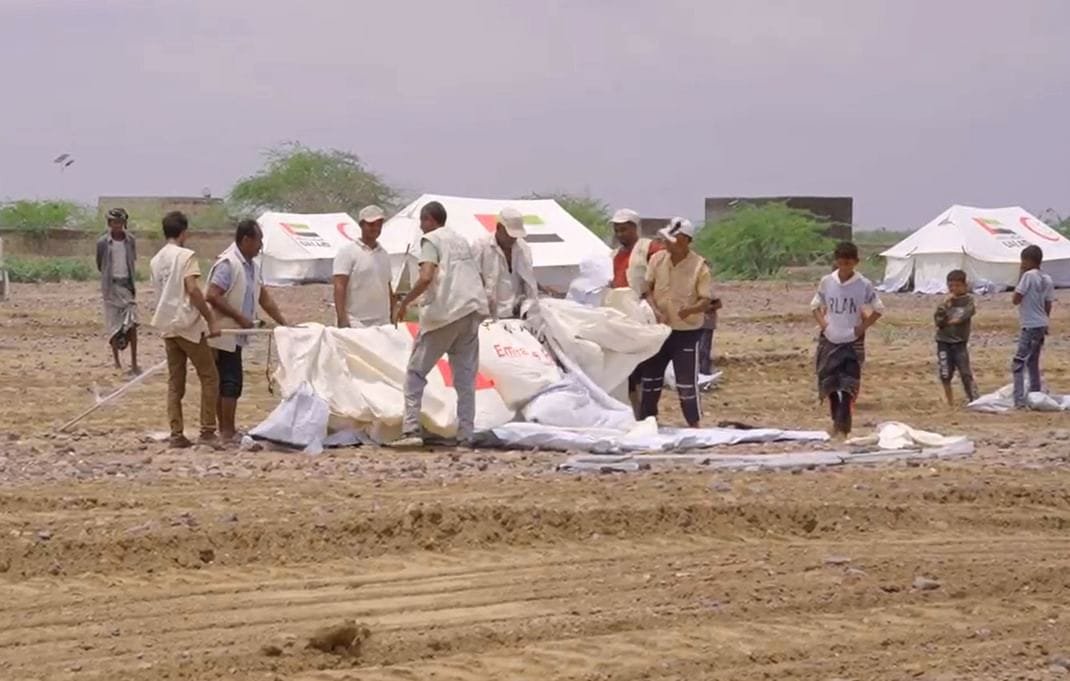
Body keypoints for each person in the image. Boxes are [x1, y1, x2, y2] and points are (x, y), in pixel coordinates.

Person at [391, 201, 489, 447]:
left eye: (422, 223)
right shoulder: (460, 240)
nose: (422, 228)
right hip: (470, 311)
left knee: (415, 373)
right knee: (465, 379)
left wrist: (405, 303)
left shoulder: (431, 241)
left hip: (445, 313)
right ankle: (466, 435)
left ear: (428, 220)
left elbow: (426, 277)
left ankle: (411, 430)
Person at [206, 219, 288, 442]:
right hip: (224, 333)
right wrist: (239, 317)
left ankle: (226, 429)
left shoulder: (252, 266)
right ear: (245, 240)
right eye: (258, 240)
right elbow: (212, 294)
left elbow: (263, 297)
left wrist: (283, 322)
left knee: (229, 381)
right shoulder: (228, 264)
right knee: (229, 382)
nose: (260, 246)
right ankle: (226, 431)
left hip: (237, 334)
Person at [149, 211, 221, 448]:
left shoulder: (156, 260)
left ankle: (176, 432)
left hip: (167, 325)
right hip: (187, 325)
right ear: (184, 232)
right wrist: (209, 318)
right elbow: (193, 289)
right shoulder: (186, 256)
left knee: (175, 382)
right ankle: (208, 430)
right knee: (209, 376)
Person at [637, 218, 712, 427]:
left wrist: (690, 310)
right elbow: (648, 289)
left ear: (685, 241)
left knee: (686, 381)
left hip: (686, 331)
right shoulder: (658, 260)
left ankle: (693, 423)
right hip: (659, 329)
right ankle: (648, 421)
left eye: (672, 241)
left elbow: (706, 300)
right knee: (651, 378)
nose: (667, 245)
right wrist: (655, 310)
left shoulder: (700, 267)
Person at [811, 241, 884, 436]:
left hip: (852, 340)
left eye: (848, 264)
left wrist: (862, 327)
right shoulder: (827, 281)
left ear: (855, 263)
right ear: (836, 262)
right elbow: (815, 306)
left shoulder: (863, 284)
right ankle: (837, 423)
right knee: (831, 384)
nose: (844, 268)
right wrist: (824, 325)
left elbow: (879, 309)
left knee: (849, 385)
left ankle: (844, 424)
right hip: (830, 338)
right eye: (841, 263)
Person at [610, 208, 666, 413]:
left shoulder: (649, 248)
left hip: (644, 311)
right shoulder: (614, 255)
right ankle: (636, 411)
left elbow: (662, 274)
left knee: (647, 363)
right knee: (628, 367)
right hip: (622, 314)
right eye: (617, 230)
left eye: (624, 229)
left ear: (634, 228)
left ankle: (648, 410)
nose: (620, 234)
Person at [333, 205, 393, 327]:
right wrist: (342, 318)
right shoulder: (347, 252)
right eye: (371, 224)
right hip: (356, 321)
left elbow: (387, 285)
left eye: (379, 224)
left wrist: (393, 312)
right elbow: (339, 286)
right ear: (361, 225)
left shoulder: (384, 254)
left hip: (382, 321)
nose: (375, 228)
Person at [95, 207, 140, 374]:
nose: (117, 226)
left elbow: (132, 261)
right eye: (114, 222)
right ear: (109, 223)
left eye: (120, 222)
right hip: (111, 287)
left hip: (127, 286)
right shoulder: (102, 243)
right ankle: (117, 363)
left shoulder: (130, 241)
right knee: (114, 326)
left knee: (132, 324)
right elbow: (100, 264)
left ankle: (134, 363)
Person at [1012, 244, 1055, 408]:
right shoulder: (1047, 278)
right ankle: (1035, 394)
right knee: (1033, 361)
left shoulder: (1028, 276)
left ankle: (1019, 400)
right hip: (1041, 324)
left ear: (1027, 261)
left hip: (1029, 325)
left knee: (1019, 363)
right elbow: (1048, 304)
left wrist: (1020, 274)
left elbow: (1016, 299)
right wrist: (1045, 322)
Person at [477, 207, 538, 320]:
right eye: (509, 235)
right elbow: (475, 281)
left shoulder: (524, 249)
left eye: (515, 236)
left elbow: (529, 283)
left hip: (518, 315)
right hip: (490, 315)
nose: (513, 239)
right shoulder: (481, 246)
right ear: (499, 227)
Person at [934, 269, 979, 406]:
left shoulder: (968, 301)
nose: (954, 289)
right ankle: (949, 401)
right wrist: (944, 306)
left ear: (965, 285)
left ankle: (973, 399)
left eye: (957, 285)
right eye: (951, 286)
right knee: (945, 373)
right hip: (943, 342)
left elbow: (963, 316)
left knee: (965, 372)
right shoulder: (945, 303)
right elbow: (938, 320)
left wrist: (949, 320)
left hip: (959, 342)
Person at [698, 258, 722, 376]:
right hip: (696, 322)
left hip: (706, 322)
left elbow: (718, 304)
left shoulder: (708, 286)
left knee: (703, 349)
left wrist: (704, 309)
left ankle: (705, 372)